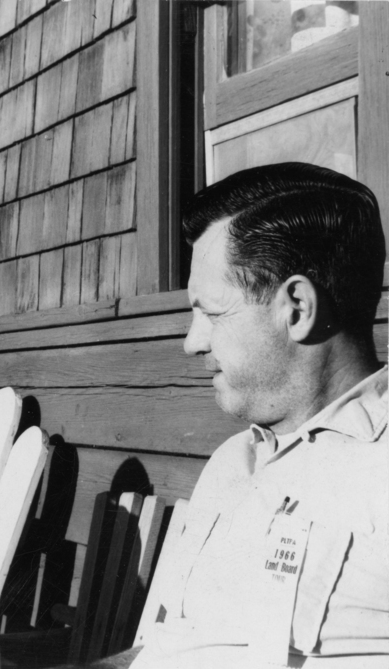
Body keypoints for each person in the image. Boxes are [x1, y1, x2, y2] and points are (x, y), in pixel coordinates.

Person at [83, 163, 388, 669]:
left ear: (296, 308)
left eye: (211, 312)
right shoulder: (233, 463)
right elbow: (171, 650)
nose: (192, 342)